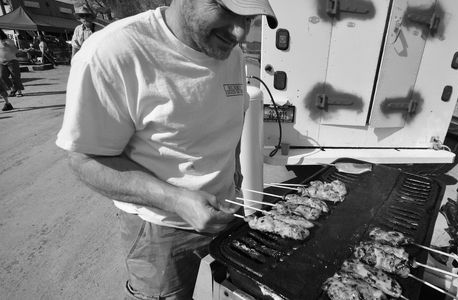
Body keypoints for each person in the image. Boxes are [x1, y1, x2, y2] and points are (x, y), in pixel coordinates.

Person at [55, 0, 277, 299]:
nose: (240, 32)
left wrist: (235, 175)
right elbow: (85, 160)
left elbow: (230, 122)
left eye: (250, 18)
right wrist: (177, 200)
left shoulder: (232, 53)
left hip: (225, 216)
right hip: (161, 231)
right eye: (229, 11)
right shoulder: (114, 52)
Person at [0, 29, 24, 97]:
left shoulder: (8, 41)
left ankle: (19, 91)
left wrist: (8, 46)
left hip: (12, 61)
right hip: (2, 62)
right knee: (2, 76)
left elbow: (16, 50)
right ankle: (12, 88)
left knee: (15, 76)